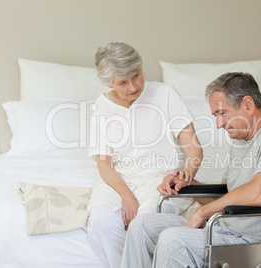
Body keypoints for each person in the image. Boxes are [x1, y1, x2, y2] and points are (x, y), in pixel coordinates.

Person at [120, 72, 261, 268]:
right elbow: (225, 198)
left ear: (248, 104)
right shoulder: (241, 140)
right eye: (215, 116)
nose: (219, 124)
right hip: (226, 229)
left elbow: (259, 193)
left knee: (173, 240)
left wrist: (203, 212)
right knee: (141, 226)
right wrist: (187, 182)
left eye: (222, 113)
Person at [87, 42, 203, 268]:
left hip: (159, 180)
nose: (132, 86)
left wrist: (187, 173)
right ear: (109, 82)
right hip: (118, 182)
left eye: (136, 75)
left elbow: (194, 147)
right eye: (122, 82)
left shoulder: (165, 94)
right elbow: (105, 165)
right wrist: (126, 196)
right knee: (101, 221)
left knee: (145, 221)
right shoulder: (100, 107)